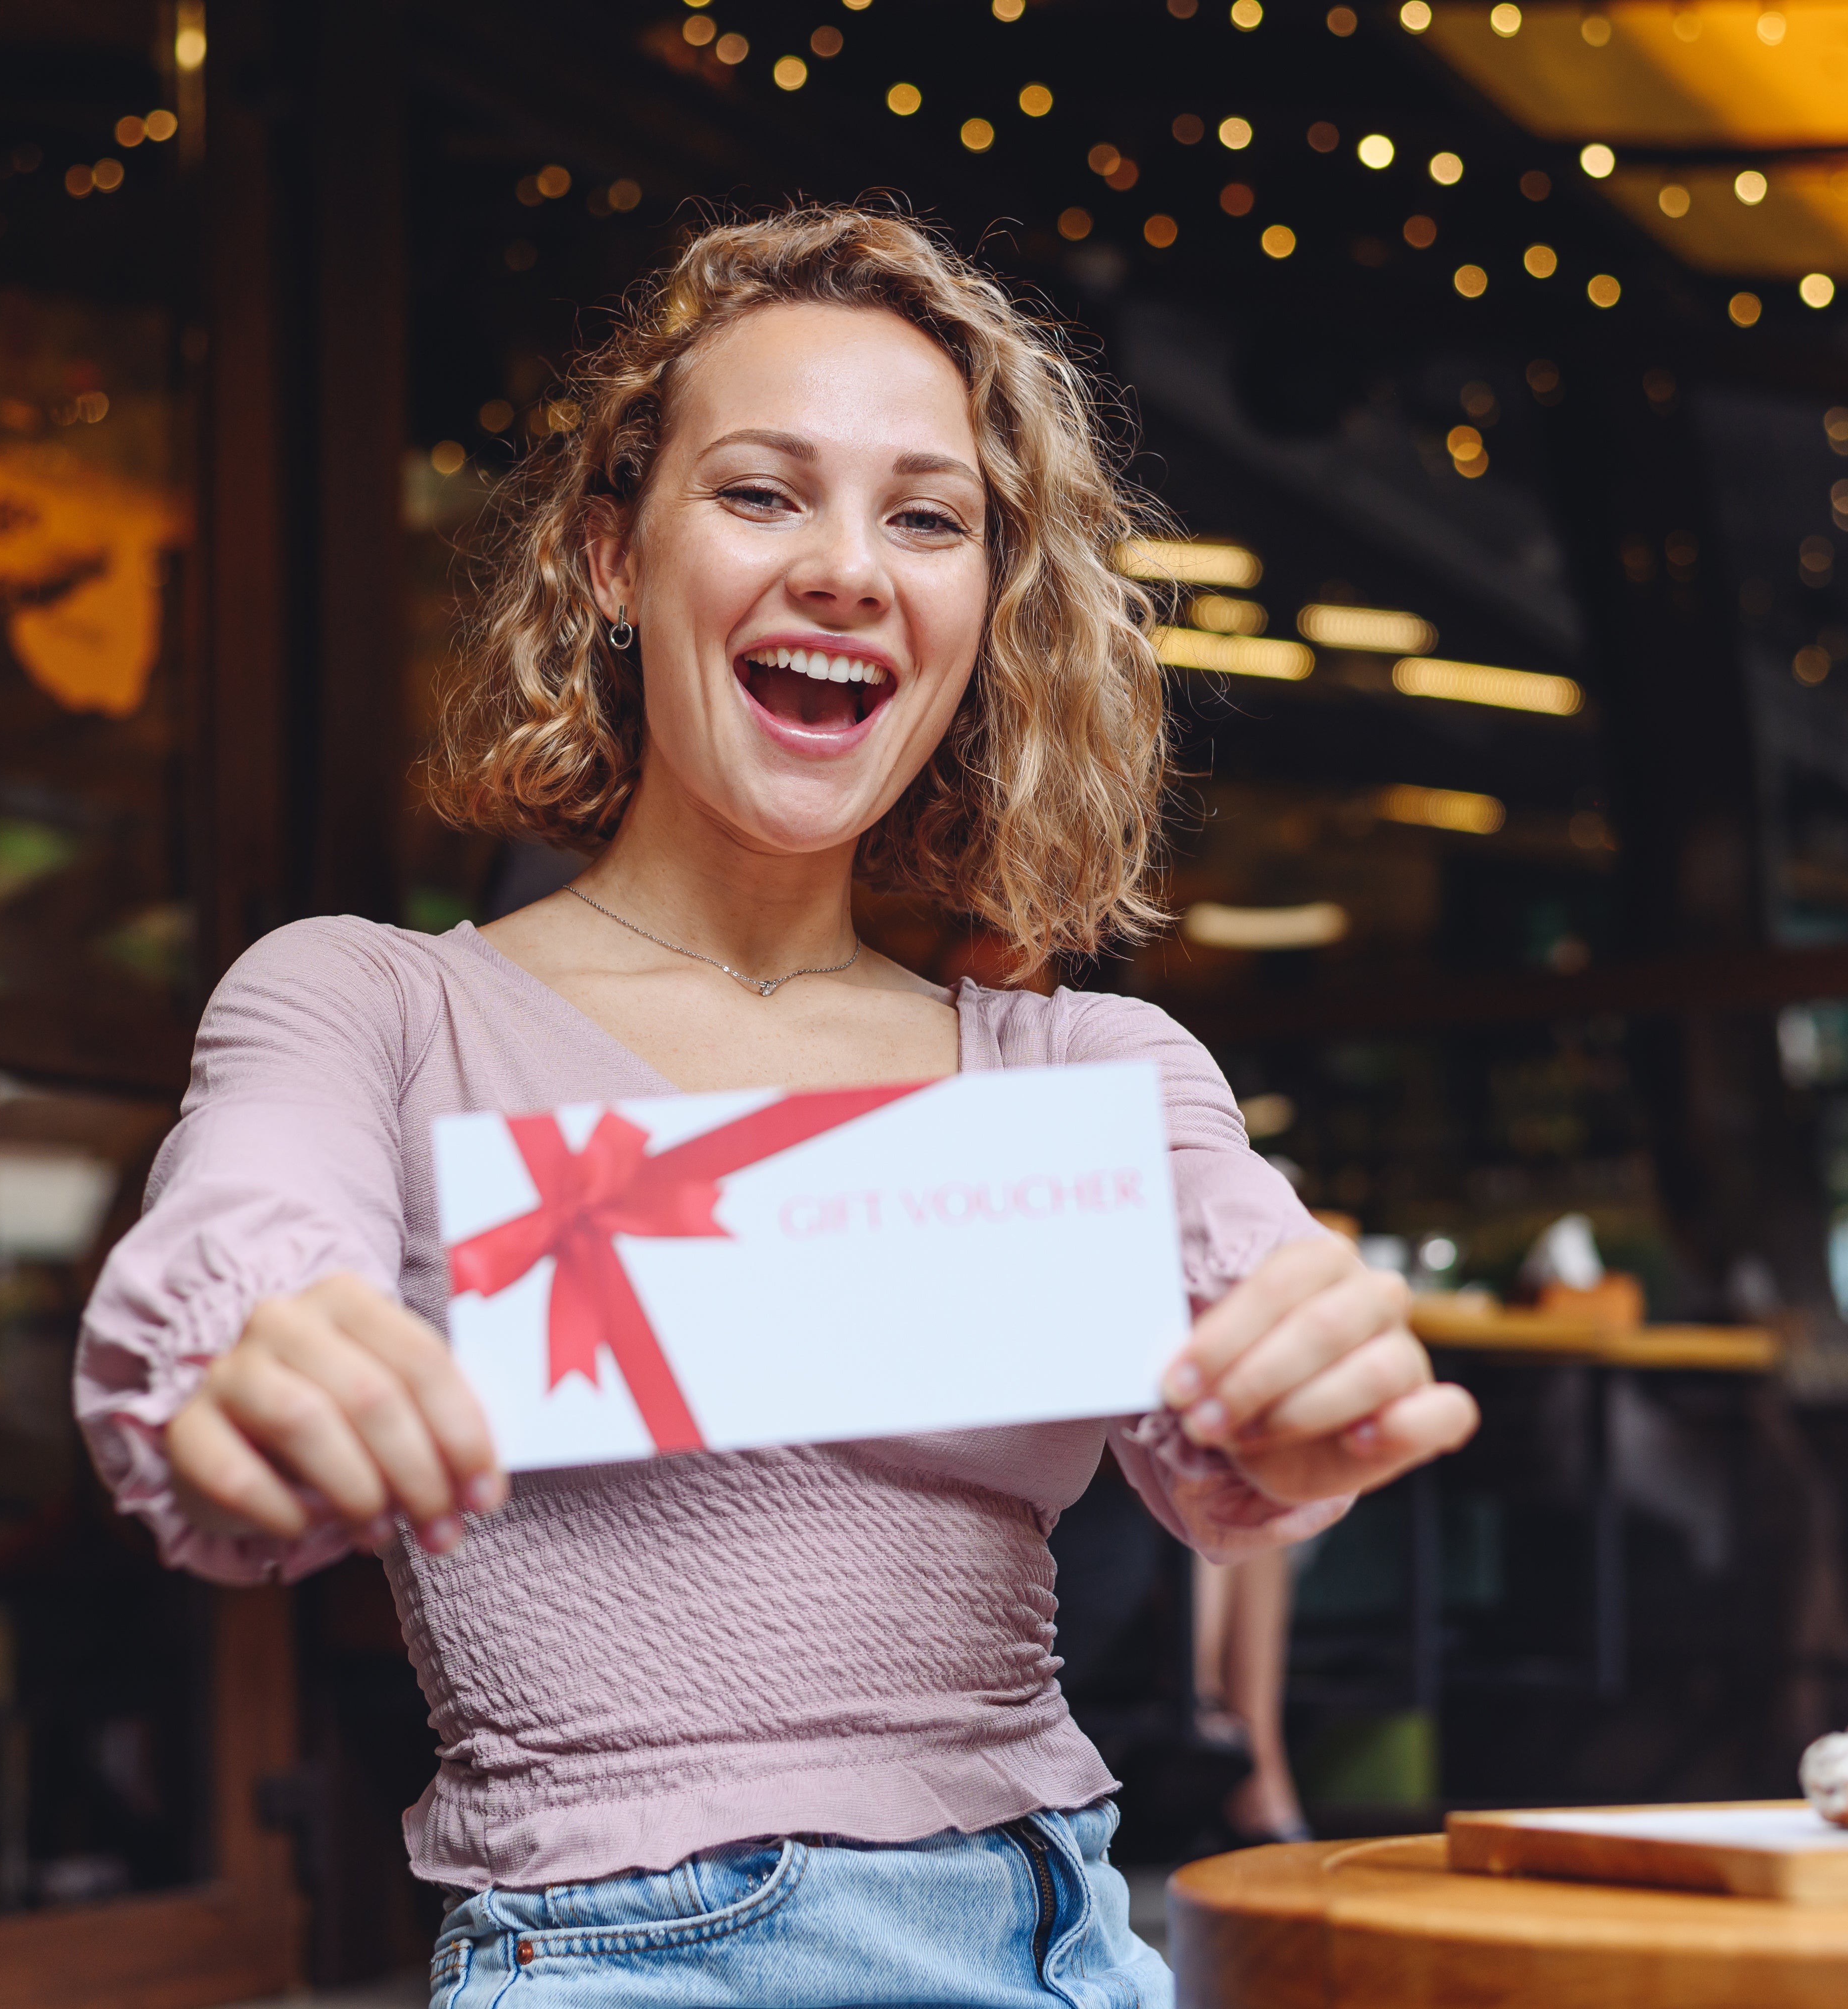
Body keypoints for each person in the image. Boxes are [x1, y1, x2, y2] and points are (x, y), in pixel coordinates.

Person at [74, 204, 1479, 2008]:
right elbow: (239, 1255)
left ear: (986, 610)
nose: (847, 568)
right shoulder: (377, 1006)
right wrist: (264, 1350)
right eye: (760, 494)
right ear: (609, 558)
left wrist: (1307, 1392)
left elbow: (1253, 1340)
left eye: (927, 517)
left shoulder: (1086, 1071)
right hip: (619, 1955)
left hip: (1069, 1938)